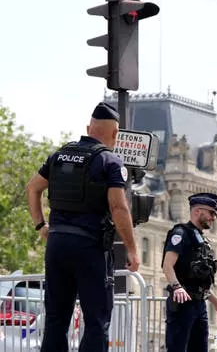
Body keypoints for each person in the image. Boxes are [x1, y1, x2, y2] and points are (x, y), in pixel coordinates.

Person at [25, 102, 140, 352]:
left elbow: (32, 188)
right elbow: (118, 208)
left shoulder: (59, 155)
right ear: (115, 134)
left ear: (89, 128)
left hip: (56, 246)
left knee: (56, 319)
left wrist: (41, 226)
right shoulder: (111, 161)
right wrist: (131, 248)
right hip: (90, 248)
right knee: (97, 321)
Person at [161, 192, 217, 352]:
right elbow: (167, 265)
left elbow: (202, 283)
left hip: (200, 305)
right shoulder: (180, 234)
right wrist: (176, 286)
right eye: (211, 213)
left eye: (215, 214)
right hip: (182, 304)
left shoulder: (202, 241)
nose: (214, 217)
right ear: (197, 211)